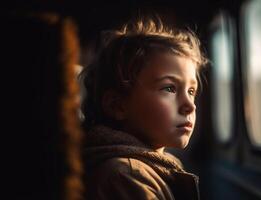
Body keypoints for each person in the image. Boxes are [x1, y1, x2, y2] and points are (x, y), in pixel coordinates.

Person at [80, 18, 208, 200]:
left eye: (191, 91)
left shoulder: (149, 168)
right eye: (169, 88)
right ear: (117, 106)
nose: (190, 105)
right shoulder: (125, 176)